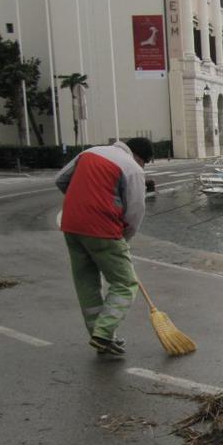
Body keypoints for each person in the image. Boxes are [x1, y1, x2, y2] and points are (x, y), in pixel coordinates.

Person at [55, 138, 154, 355]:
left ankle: (99, 337)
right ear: (139, 157)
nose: (143, 167)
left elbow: (61, 180)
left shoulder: (90, 152)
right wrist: (124, 238)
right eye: (145, 162)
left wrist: (82, 203)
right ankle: (104, 332)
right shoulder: (133, 169)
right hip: (103, 230)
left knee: (86, 283)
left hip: (71, 226)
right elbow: (135, 212)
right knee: (126, 284)